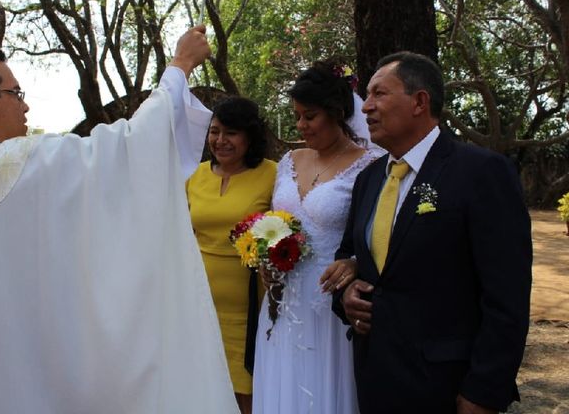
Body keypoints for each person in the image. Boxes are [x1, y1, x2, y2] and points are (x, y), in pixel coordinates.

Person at [0, 26, 240, 414]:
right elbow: (130, 149)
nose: (24, 107)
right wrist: (180, 65)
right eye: (15, 93)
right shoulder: (18, 166)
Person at [333, 51, 532, 414]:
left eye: (379, 94)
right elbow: (350, 255)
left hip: (447, 386)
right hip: (375, 377)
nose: (366, 108)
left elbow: (507, 296)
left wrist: (484, 391)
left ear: (419, 101)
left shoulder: (481, 172)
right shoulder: (368, 179)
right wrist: (347, 292)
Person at [252, 59, 379, 414]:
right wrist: (264, 253)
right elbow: (275, 221)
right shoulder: (289, 160)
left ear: (337, 112)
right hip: (283, 297)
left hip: (331, 302)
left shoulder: (370, 165)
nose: (301, 125)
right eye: (296, 116)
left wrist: (355, 263)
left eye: (310, 116)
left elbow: (378, 235)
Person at [186, 97, 277, 414]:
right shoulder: (193, 176)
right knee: (204, 393)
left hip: (251, 310)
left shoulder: (273, 174)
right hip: (198, 307)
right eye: (214, 131)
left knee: (248, 397)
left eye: (231, 133)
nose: (220, 141)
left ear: (250, 136)